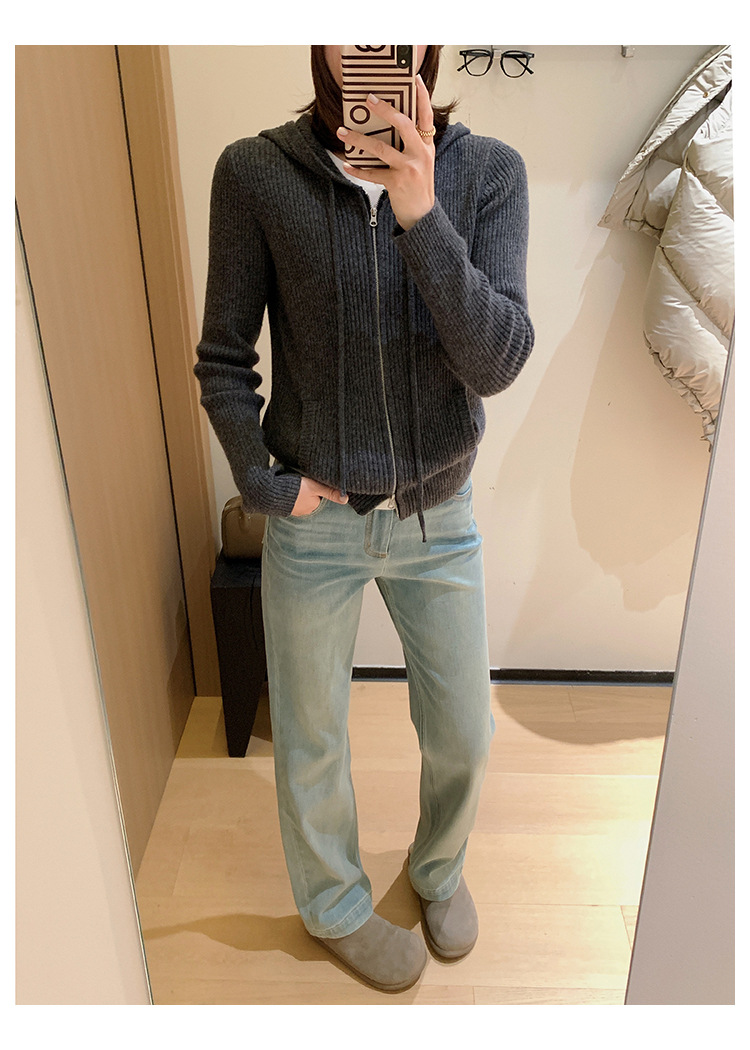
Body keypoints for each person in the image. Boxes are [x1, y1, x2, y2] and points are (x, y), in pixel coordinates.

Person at [194, 44, 534, 993]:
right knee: (310, 738)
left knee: (464, 730)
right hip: (317, 522)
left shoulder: (489, 174)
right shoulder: (255, 172)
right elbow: (223, 358)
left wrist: (422, 214)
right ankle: (334, 905)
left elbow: (498, 362)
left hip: (438, 516)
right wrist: (263, 482)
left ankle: (437, 868)